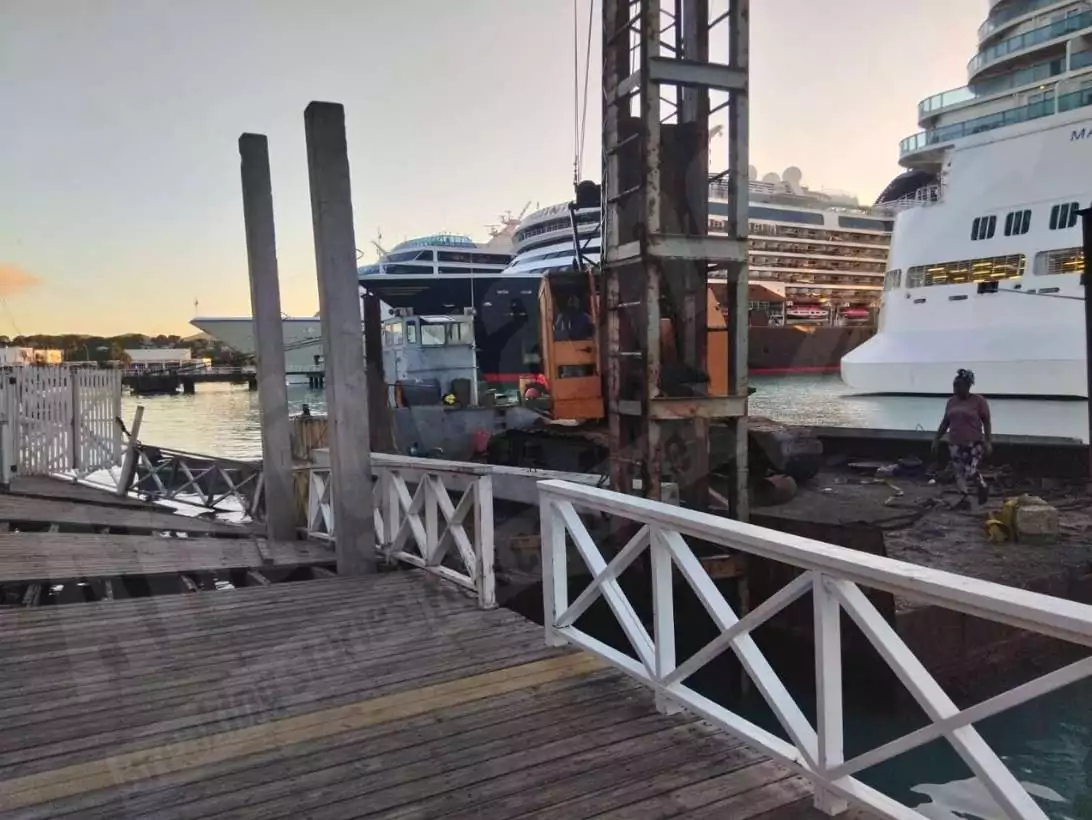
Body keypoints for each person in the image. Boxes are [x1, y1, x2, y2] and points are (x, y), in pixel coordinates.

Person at [932, 368, 992, 508]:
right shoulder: (951, 401)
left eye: (958, 385)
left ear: (967, 386)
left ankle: (982, 486)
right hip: (954, 442)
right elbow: (945, 422)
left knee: (970, 470)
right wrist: (936, 439)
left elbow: (986, 421)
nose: (955, 388)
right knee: (958, 472)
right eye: (954, 385)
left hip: (974, 443)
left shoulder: (979, 401)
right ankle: (964, 498)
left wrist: (988, 442)